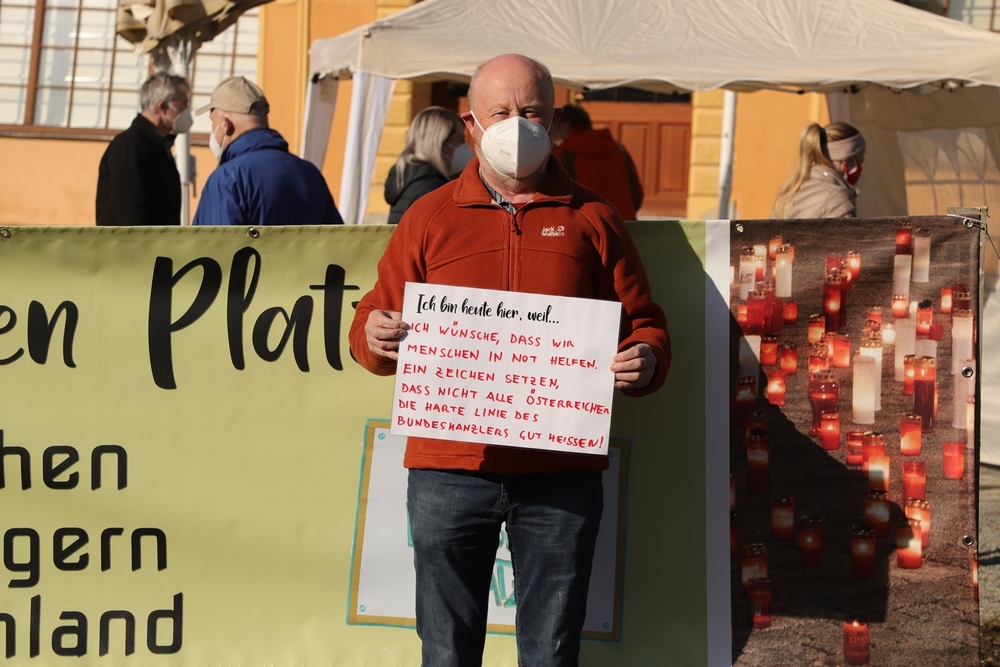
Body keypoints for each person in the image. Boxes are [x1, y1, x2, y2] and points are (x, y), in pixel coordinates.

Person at [349, 54, 671, 667]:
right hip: (449, 471)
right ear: (471, 124)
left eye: (532, 112)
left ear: (555, 123)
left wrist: (647, 360)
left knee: (551, 652)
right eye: (501, 112)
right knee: (446, 650)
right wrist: (375, 336)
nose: (517, 125)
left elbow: (645, 324)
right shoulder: (428, 216)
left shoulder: (594, 218)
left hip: (559, 474)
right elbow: (372, 319)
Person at [192, 76, 343, 226]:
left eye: (213, 122)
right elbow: (338, 237)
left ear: (225, 125)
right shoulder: (310, 174)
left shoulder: (227, 179)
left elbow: (214, 240)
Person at [96, 72, 191, 226]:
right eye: (183, 105)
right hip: (135, 241)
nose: (187, 111)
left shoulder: (158, 146)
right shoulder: (130, 145)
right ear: (163, 107)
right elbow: (131, 213)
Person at [552, 104, 644, 220]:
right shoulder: (619, 150)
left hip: (587, 225)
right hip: (624, 223)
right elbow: (636, 194)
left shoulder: (564, 154)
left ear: (564, 126)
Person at [385, 106, 471, 224]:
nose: (465, 146)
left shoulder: (411, 178)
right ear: (439, 142)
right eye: (461, 140)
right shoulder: (428, 189)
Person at [772, 122, 866, 219]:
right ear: (845, 159)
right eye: (861, 160)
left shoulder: (789, 190)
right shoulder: (837, 198)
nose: (861, 167)